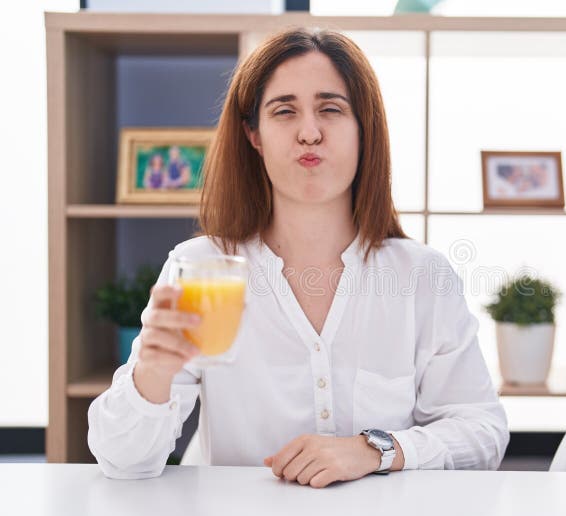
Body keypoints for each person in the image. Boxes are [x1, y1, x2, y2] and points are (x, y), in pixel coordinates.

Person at [87, 27, 509, 487]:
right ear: (254, 135)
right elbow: (122, 463)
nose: (309, 133)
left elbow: (483, 433)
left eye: (331, 109)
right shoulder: (201, 267)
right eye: (284, 111)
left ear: (364, 130)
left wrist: (373, 450)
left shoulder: (422, 276)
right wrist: (153, 372)